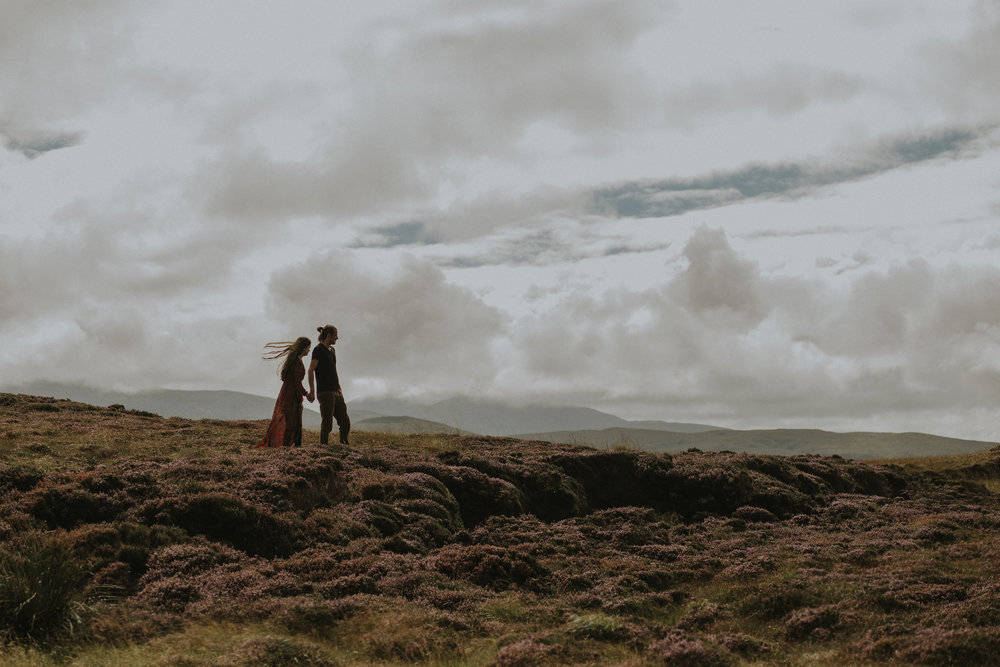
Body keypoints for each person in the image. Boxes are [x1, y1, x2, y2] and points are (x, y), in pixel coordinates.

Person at [257, 336, 314, 448]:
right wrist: (303, 397)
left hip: (286, 394)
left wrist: (305, 394)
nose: (309, 350)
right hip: (291, 396)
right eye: (308, 348)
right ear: (304, 348)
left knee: (289, 421)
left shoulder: (294, 360)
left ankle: (287, 446)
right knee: (294, 422)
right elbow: (297, 383)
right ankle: (291, 446)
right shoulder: (297, 362)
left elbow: (295, 381)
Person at [308, 324, 350, 446]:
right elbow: (311, 370)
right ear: (328, 336)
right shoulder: (318, 350)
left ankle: (344, 445)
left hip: (336, 391)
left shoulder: (332, 351)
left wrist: (339, 387)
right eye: (335, 336)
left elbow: (333, 370)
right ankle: (323, 448)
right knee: (327, 423)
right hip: (325, 392)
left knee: (345, 421)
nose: (337, 338)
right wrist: (312, 390)